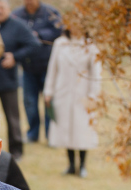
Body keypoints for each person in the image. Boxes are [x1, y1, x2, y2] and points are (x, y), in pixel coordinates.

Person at [44, 23, 101, 178]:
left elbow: (96, 73)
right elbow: (53, 69)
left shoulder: (91, 47)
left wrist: (93, 95)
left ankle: (82, 165)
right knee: (66, 128)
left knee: (82, 129)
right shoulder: (60, 44)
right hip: (62, 92)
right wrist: (48, 91)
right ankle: (70, 165)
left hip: (82, 93)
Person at [0, 0, 41, 160]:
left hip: (8, 80)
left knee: (13, 119)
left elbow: (34, 44)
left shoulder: (18, 26)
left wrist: (15, 57)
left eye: (1, 8)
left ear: (8, 10)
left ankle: (16, 152)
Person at [12, 0, 63, 142]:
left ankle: (50, 134)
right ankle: (32, 134)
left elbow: (59, 30)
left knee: (49, 102)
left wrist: (38, 34)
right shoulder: (16, 15)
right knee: (30, 103)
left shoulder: (51, 13)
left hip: (48, 67)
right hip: (27, 68)